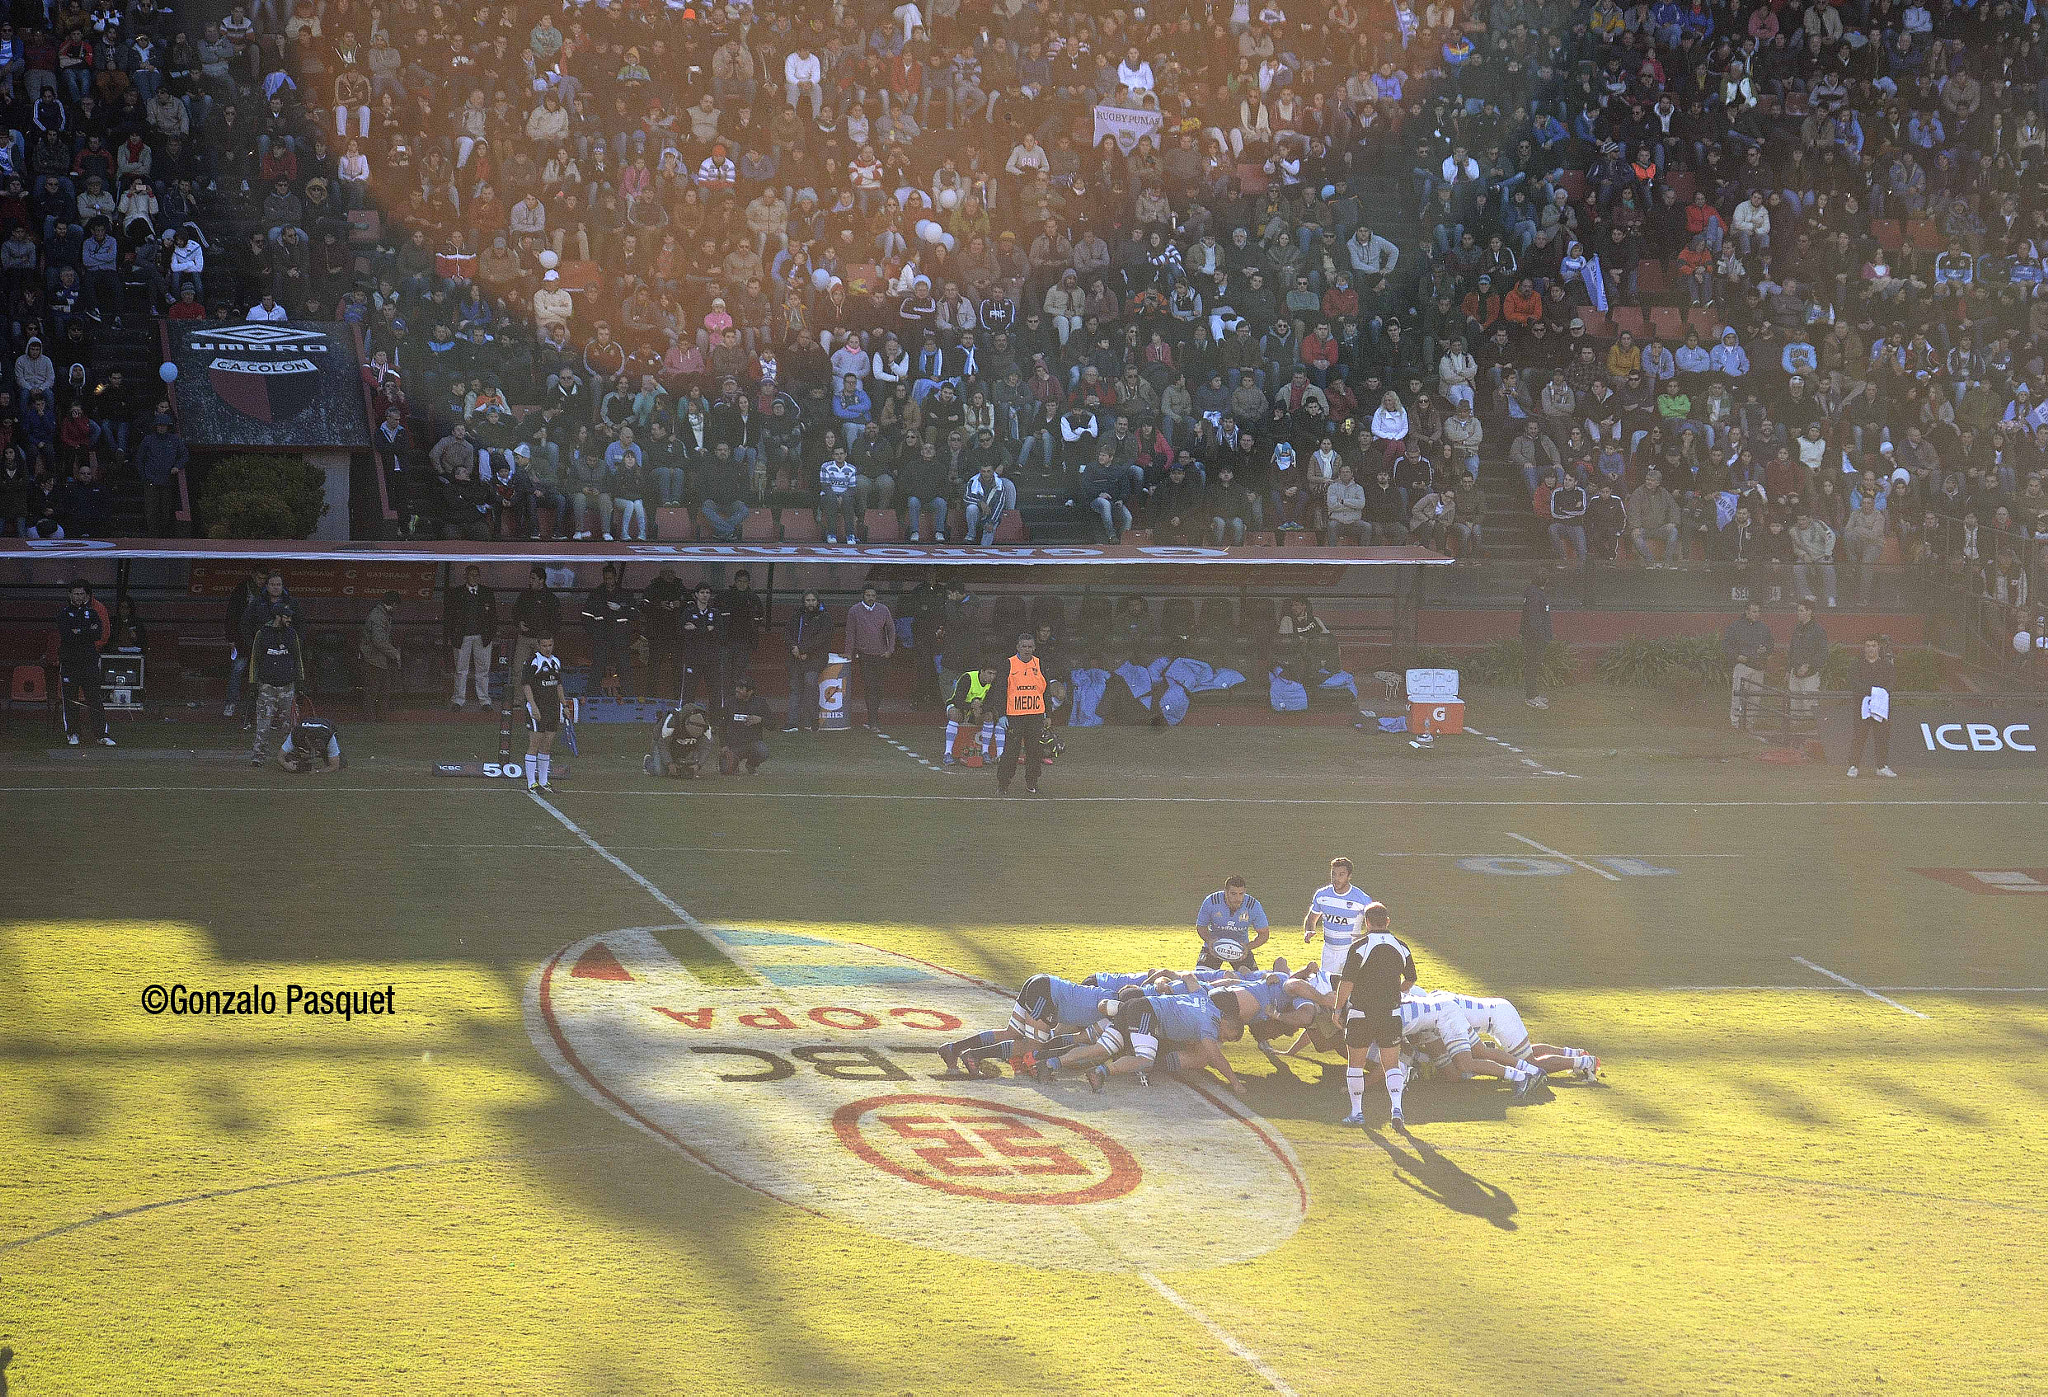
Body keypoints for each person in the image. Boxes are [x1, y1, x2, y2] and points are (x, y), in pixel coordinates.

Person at [1331, 902, 1418, 1125]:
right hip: (1391, 1014)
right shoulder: (1402, 946)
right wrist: (1394, 991)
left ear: (1367, 923)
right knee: (1391, 1065)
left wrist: (1338, 1009)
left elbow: (1347, 982)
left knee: (1356, 1065)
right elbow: (1410, 979)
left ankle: (1357, 1112)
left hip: (1361, 1014)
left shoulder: (1360, 947)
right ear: (1387, 921)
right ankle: (1397, 1109)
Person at [989, 630, 1048, 794]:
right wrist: (1001, 714)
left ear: (1034, 648)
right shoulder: (1009, 664)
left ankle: (1032, 782)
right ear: (1017, 647)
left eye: (1030, 646)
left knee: (1034, 751)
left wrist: (1047, 713)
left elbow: (1045, 689)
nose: (1027, 649)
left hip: (1035, 715)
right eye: (1024, 646)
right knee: (1011, 752)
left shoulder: (1039, 663)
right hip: (1014, 716)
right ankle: (1003, 784)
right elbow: (1000, 690)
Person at [58, 580, 115, 746]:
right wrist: (85, 631)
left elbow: (98, 633)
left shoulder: (93, 612)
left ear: (87, 595)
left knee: (94, 698)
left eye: (82, 594)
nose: (79, 597)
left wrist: (79, 631)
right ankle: (73, 733)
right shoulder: (63, 614)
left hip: (89, 662)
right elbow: (67, 634)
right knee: (70, 699)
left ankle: (101, 735)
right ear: (70, 595)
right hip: (70, 662)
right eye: (76, 594)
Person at [248, 602, 304, 767]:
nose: (289, 619)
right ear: (277, 617)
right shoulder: (262, 634)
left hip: (287, 686)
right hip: (267, 687)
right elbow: (255, 660)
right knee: (263, 724)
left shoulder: (292, 634)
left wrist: (300, 680)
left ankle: (289, 755)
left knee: (290, 725)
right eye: (286, 616)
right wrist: (253, 683)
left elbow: (297, 657)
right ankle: (258, 756)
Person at [444, 564, 497, 711]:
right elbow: (449, 616)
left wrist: (490, 634)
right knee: (461, 670)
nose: (474, 578)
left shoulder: (486, 592)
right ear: (465, 576)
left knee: (483, 670)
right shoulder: (456, 593)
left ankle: (485, 701)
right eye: (471, 575)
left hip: (482, 636)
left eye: (476, 575)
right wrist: (452, 635)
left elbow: (493, 616)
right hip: (462, 637)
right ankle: (458, 700)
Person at [844, 584, 896, 728]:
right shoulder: (854, 611)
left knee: (878, 687)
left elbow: (891, 630)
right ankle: (873, 719)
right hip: (864, 654)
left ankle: (873, 717)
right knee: (869, 686)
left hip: (881, 655)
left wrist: (890, 649)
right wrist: (849, 652)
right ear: (863, 595)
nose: (870, 598)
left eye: (873, 595)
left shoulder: (883, 609)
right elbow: (850, 632)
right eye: (868, 595)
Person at [1846, 635, 1897, 779]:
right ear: (1864, 648)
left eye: (1873, 646)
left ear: (1878, 648)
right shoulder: (1857, 665)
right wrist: (1871, 692)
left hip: (1880, 707)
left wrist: (1880, 694)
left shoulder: (1887, 665)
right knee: (1859, 736)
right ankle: (1853, 766)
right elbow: (1854, 683)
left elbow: (1891, 683)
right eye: (1867, 646)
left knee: (1882, 736)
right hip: (1862, 706)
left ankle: (1881, 766)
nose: (1870, 649)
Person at [582, 564, 637, 696]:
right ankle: (591, 697)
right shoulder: (596, 594)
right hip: (602, 638)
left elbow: (635, 614)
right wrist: (595, 633)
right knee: (597, 667)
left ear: (615, 578)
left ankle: (628, 697)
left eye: (611, 579)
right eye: (606, 579)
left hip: (620, 638)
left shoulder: (625, 594)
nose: (609, 582)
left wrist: (620, 609)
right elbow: (586, 616)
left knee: (624, 668)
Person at [521, 633, 565, 792]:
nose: (548, 648)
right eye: (544, 645)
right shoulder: (533, 661)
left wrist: (564, 705)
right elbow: (526, 685)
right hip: (538, 708)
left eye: (550, 645)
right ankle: (532, 783)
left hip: (553, 708)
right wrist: (533, 706)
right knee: (535, 743)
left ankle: (544, 782)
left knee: (547, 745)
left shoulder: (556, 661)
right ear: (539, 646)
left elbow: (558, 684)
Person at [1195, 875, 1269, 970]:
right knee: (1201, 976)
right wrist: (1210, 941)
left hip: (1240, 948)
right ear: (1225, 892)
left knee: (1252, 979)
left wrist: (1247, 947)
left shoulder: (1253, 905)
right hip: (1214, 946)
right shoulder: (1211, 901)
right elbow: (1201, 926)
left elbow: (1264, 933)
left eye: (1241, 894)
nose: (1238, 898)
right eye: (1233, 894)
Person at [784, 589, 831, 732]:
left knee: (810, 684)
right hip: (796, 658)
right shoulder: (797, 615)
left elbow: (822, 639)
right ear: (803, 602)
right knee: (795, 688)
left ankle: (813, 721)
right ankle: (792, 723)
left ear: (818, 601)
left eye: (813, 600)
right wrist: (794, 648)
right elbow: (787, 633)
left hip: (815, 658)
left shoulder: (825, 617)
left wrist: (804, 650)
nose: (810, 603)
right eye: (808, 600)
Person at [1722, 600, 1774, 729]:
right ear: (1747, 612)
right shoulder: (1736, 626)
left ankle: (1749, 726)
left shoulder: (1764, 628)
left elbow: (1770, 645)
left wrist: (1765, 649)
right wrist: (1736, 656)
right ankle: (1736, 725)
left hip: (1758, 668)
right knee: (1738, 697)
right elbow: (1726, 645)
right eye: (1754, 611)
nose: (1757, 614)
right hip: (1743, 667)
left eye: (1758, 611)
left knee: (1754, 700)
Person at [511, 566, 561, 687]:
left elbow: (557, 620)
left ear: (541, 580)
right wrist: (519, 623)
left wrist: (547, 636)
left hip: (542, 641)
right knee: (519, 670)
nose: (530, 581)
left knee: (542, 671)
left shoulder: (550, 598)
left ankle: (540, 702)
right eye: (530, 578)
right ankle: (519, 703)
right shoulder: (524, 595)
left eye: (533, 579)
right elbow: (515, 612)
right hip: (525, 638)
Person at [358, 590, 402, 721]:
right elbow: (379, 641)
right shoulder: (379, 617)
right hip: (374, 659)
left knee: (376, 690)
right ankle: (374, 719)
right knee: (376, 691)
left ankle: (375, 719)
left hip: (375, 658)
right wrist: (395, 653)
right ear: (393, 603)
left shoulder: (379, 614)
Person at [943, 662, 999, 766]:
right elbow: (957, 701)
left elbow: (991, 702)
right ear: (982, 671)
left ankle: (985, 752)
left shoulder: (994, 683)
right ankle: (947, 753)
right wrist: (972, 706)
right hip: (960, 707)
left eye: (994, 674)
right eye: (989, 673)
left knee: (989, 716)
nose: (992, 677)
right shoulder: (967, 678)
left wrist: (980, 710)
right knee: (954, 714)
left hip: (976, 710)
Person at [679, 580, 722, 704]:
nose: (705, 595)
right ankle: (686, 719)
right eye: (702, 592)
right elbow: (682, 632)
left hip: (711, 659)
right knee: (688, 691)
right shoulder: (688, 612)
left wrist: (696, 629)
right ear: (696, 594)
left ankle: (716, 721)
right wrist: (707, 629)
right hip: (693, 658)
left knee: (715, 692)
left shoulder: (715, 613)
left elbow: (720, 634)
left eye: (707, 592)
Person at [648, 702, 717, 778]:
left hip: (687, 744)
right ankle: (648, 761)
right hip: (660, 741)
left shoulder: (705, 727)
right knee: (660, 772)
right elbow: (663, 745)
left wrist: (698, 765)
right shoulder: (671, 723)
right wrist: (669, 764)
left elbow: (705, 748)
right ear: (686, 725)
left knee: (686, 770)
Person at [1787, 599, 1827, 730]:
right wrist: (1789, 669)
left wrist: (1808, 666)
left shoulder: (1818, 630)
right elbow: (1792, 650)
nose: (1798, 613)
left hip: (1810, 676)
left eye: (1801, 610)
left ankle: (1809, 734)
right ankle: (1795, 734)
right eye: (1798, 610)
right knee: (1794, 706)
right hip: (1795, 674)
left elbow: (1822, 653)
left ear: (1810, 612)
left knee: (1809, 706)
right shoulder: (1797, 629)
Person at [718, 676, 770, 774]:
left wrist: (760, 720)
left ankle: (751, 764)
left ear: (750, 691)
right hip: (733, 745)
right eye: (737, 687)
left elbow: (772, 725)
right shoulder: (729, 703)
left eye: (741, 688)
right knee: (726, 771)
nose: (737, 690)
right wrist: (723, 745)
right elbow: (722, 726)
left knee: (762, 751)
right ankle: (735, 764)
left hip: (753, 744)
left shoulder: (760, 704)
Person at [277, 711, 344, 773]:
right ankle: (300, 757)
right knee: (290, 760)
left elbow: (335, 766)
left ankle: (323, 754)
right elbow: (280, 757)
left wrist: (317, 771)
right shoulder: (295, 734)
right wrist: (286, 766)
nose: (317, 746)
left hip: (328, 727)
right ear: (307, 739)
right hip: (302, 739)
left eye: (319, 744)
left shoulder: (329, 737)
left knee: (341, 764)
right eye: (314, 744)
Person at [1520, 578, 1552, 710]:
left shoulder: (1535, 593)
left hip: (1534, 637)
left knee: (1534, 666)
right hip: (1534, 638)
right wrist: (1542, 636)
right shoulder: (1534, 595)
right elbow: (1534, 620)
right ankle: (1531, 697)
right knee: (1532, 666)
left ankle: (1534, 694)